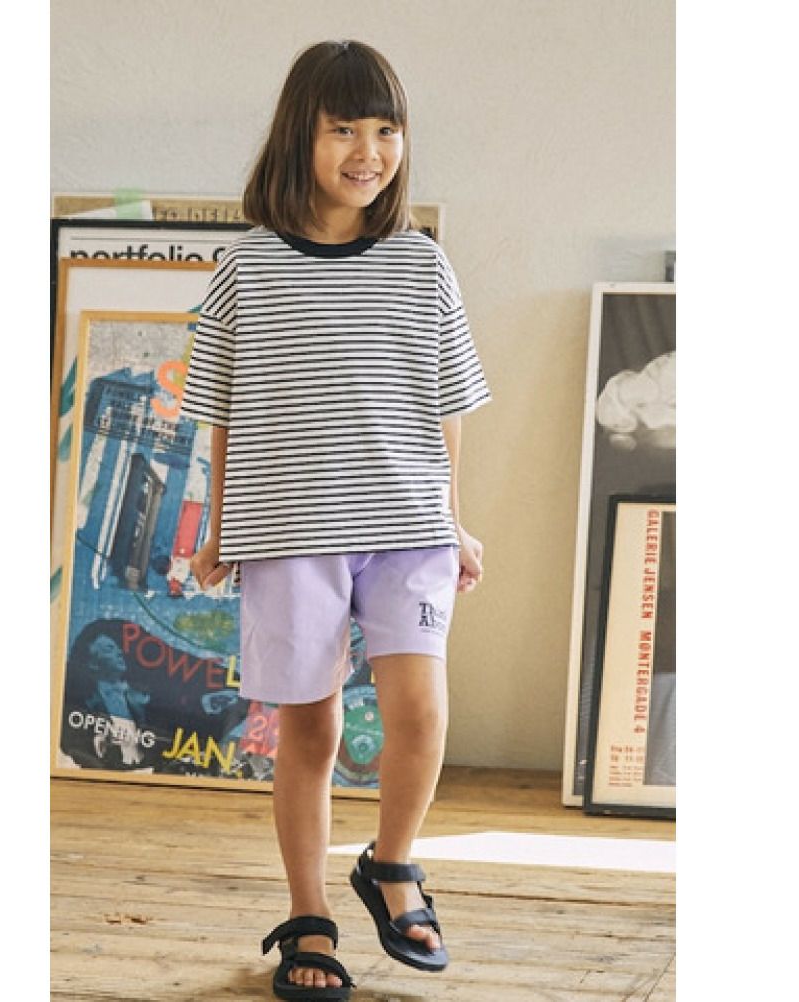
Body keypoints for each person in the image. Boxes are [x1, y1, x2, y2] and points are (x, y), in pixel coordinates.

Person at [182, 39, 491, 1001]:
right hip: (289, 532)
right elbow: (221, 408)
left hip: (408, 526)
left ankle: (392, 863)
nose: (369, 151)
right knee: (311, 731)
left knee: (419, 710)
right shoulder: (247, 267)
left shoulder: (422, 265)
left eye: (386, 129)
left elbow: (443, 407)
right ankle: (309, 915)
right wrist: (219, 525)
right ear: (299, 137)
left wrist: (454, 519)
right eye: (344, 129)